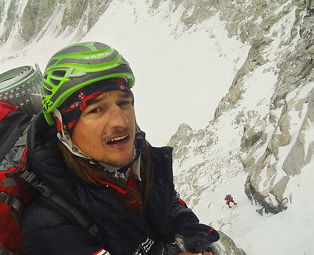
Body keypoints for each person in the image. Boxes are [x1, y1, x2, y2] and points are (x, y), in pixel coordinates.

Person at [21, 42, 219, 255]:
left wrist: (187, 229)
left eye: (124, 102)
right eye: (96, 109)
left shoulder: (141, 163)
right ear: (64, 127)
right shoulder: (52, 228)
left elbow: (165, 201)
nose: (121, 121)